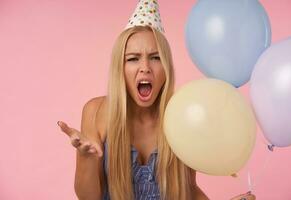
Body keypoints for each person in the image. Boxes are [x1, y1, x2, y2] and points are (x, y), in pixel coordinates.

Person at [57, 1, 256, 200]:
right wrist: (87, 157)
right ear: (121, 68)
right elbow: (88, 197)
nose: (145, 67)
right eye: (133, 58)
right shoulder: (96, 112)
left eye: (155, 57)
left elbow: (188, 190)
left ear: (166, 67)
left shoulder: (182, 114)